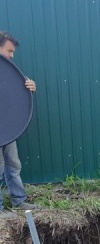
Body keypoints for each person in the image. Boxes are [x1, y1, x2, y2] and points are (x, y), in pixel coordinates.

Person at [0, 31, 38, 219]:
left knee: (13, 164)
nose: (12, 55)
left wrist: (29, 88)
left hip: (8, 128)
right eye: (9, 51)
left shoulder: (8, 73)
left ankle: (19, 200)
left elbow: (13, 96)